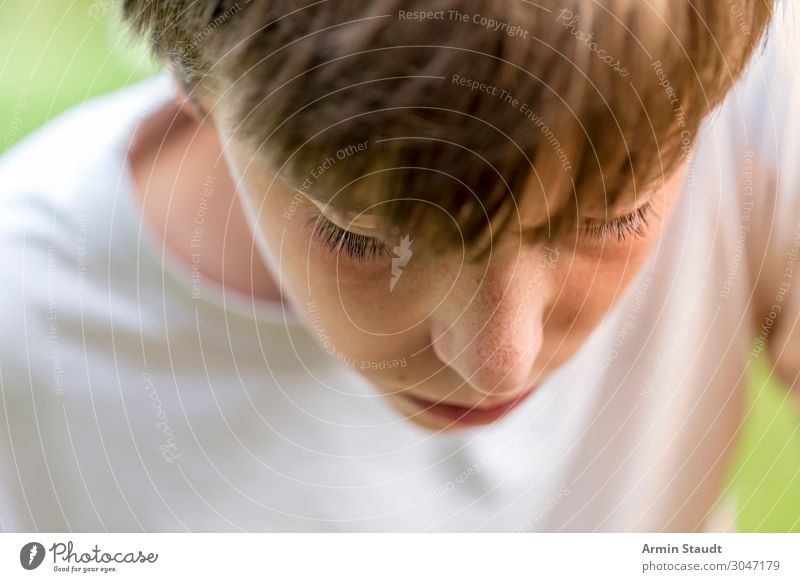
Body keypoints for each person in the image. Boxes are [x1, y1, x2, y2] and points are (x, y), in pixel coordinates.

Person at [0, 0, 796, 532]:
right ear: (198, 79)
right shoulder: (32, 315)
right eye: (366, 239)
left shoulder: (740, 101)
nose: (498, 361)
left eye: (611, 218)